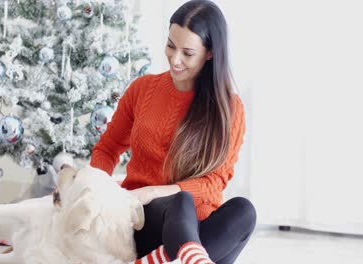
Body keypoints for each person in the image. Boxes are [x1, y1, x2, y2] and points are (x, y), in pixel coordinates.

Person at [90, 1, 256, 263]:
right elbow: (108, 148)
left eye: (187, 53)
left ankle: (175, 257)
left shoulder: (230, 109)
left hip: (198, 229)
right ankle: (182, 257)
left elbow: (215, 182)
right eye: (170, 45)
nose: (175, 59)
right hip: (144, 219)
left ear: (210, 53)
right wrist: (97, 190)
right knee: (181, 201)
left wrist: (155, 190)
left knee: (244, 211)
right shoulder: (142, 89)